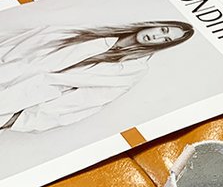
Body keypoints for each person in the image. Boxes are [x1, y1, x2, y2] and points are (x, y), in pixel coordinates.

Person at [0, 20, 194, 131]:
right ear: (156, 24)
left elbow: (84, 102)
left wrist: (20, 120)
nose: (157, 36)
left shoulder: (131, 70)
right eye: (163, 30)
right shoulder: (92, 32)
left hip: (14, 104)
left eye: (165, 39)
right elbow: (26, 43)